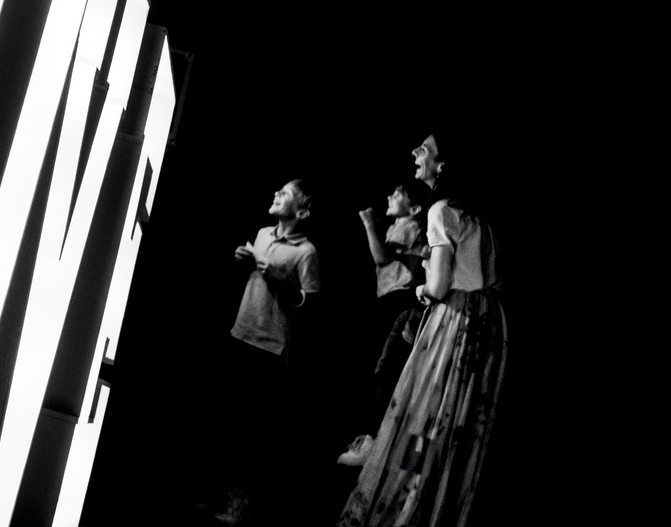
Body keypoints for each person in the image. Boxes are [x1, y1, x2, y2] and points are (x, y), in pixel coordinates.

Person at [338, 135, 506, 527]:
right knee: (458, 420)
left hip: (458, 319)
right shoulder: (479, 216)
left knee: (429, 414)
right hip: (489, 322)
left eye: (424, 151)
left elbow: (438, 286)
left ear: (443, 166)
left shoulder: (443, 210)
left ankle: (408, 505)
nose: (415, 154)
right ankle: (439, 504)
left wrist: (423, 289)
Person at [202, 180, 322, 525]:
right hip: (241, 333)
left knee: (255, 429)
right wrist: (244, 261)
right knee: (228, 419)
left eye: (284, 194)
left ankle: (243, 503)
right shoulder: (263, 233)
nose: (275, 195)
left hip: (270, 347)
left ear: (302, 211)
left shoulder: (306, 251)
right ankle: (218, 493)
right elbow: (254, 278)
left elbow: (310, 305)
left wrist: (283, 280)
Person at [337, 177, 433, 466]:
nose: (390, 196)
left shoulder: (410, 227)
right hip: (390, 300)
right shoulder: (397, 227)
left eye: (398, 194)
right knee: (380, 370)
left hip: (401, 301)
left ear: (414, 207)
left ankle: (375, 441)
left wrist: (368, 223)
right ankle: (376, 439)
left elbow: (380, 258)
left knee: (386, 370)